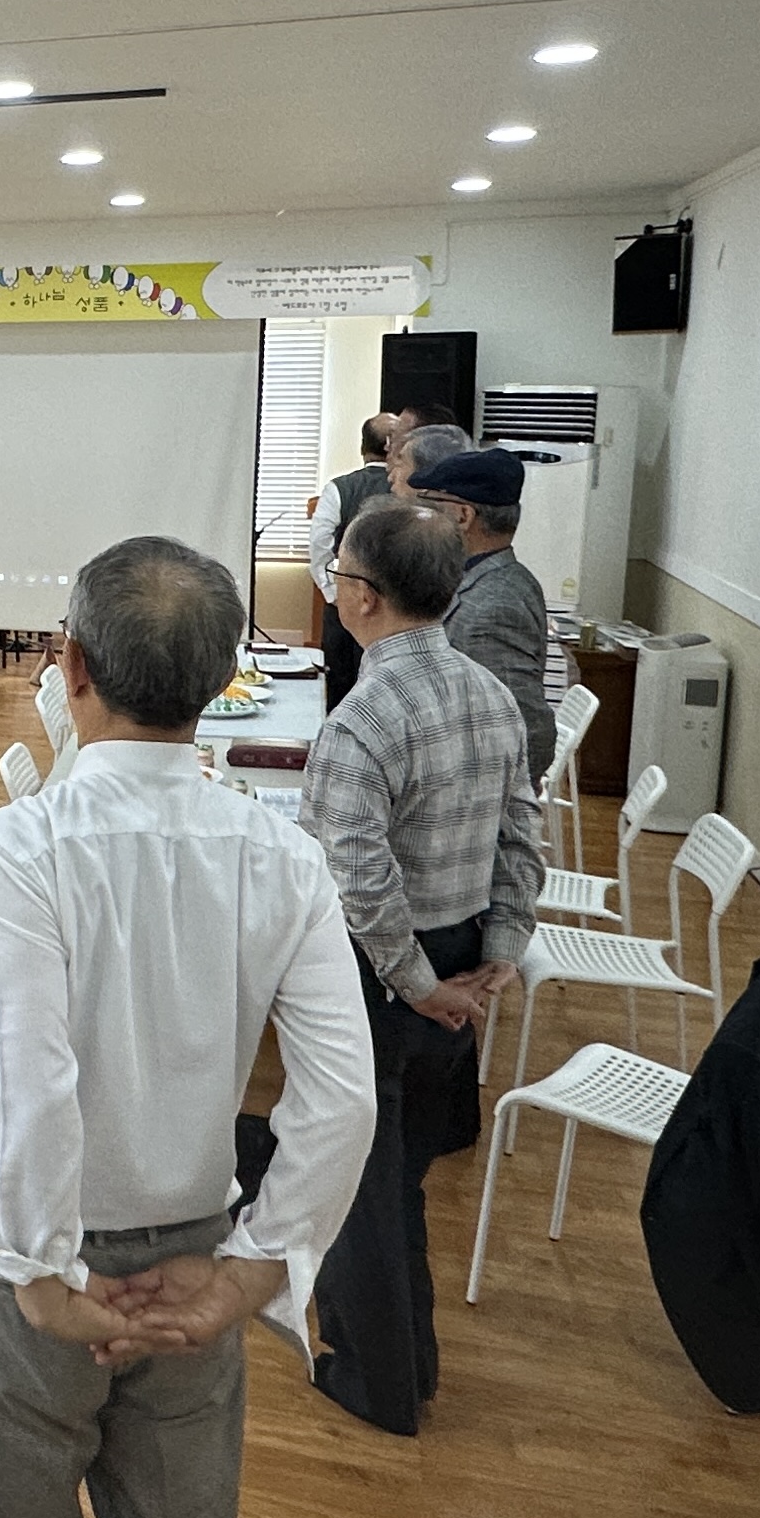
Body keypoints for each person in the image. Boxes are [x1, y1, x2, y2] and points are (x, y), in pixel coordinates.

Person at [0, 537, 374, 1518]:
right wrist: (253, 1270)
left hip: (28, 1277)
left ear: (70, 665)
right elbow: (344, 1095)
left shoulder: (18, 846)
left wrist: (40, 1275)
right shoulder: (282, 855)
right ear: (224, 681)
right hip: (189, 1267)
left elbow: (29, 1080)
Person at [300, 502, 543, 1435]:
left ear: (363, 596)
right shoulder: (488, 693)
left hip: (387, 974)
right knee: (398, 1174)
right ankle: (414, 1360)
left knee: (361, 1178)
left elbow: (359, 883)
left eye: (338, 574)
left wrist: (415, 984)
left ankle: (381, 1381)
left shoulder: (363, 720)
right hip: (459, 957)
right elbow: (523, 832)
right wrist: (499, 952)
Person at [408, 447, 557, 779]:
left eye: (430, 506)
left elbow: (530, 731)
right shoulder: (487, 578)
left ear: (463, 516)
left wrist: (488, 801)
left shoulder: (494, 607)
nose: (423, 518)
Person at [301, 414, 402, 708]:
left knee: (338, 685)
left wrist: (331, 592)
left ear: (362, 447)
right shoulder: (411, 489)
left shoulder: (338, 488)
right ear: (392, 447)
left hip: (345, 603)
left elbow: (319, 544)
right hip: (395, 607)